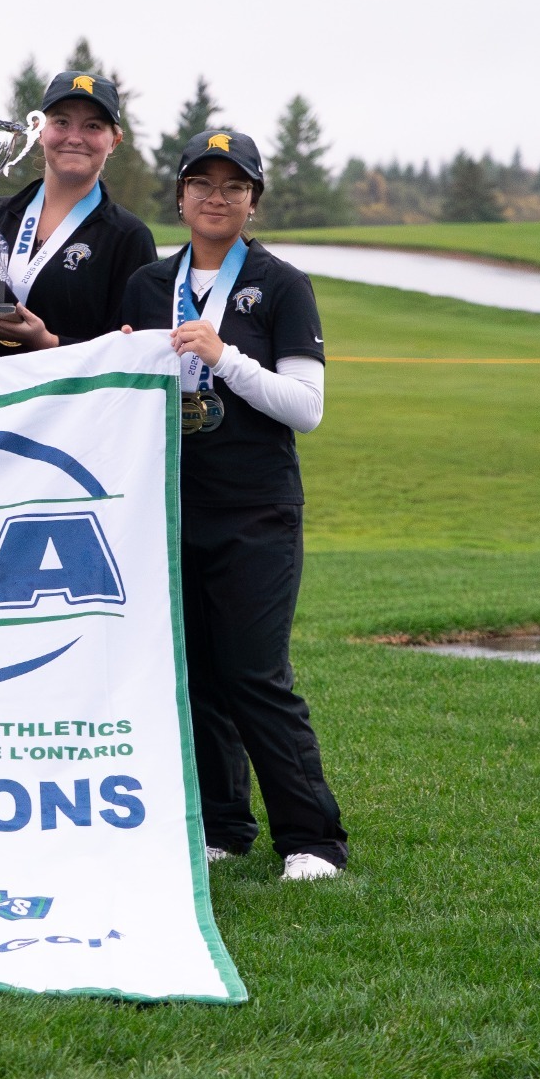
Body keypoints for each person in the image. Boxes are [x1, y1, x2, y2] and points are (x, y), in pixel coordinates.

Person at [121, 128, 348, 881]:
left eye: (233, 186)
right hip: (172, 505)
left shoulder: (281, 285)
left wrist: (224, 356)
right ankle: (223, 825)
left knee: (254, 673)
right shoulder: (149, 284)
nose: (217, 198)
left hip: (256, 510)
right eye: (202, 184)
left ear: (254, 200)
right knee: (198, 673)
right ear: (180, 195)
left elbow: (306, 407)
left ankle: (313, 838)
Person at [0, 70, 156, 354]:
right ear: (40, 132)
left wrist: (50, 343)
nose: (75, 138)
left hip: (70, 398)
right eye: (61, 122)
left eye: (93, 126)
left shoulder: (128, 237)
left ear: (114, 140)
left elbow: (133, 354)